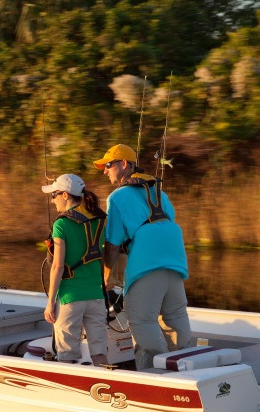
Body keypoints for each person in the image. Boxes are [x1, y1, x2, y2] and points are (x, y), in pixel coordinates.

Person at [93, 144, 193, 370]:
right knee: (176, 317)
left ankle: (156, 371)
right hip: (175, 262)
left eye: (108, 165)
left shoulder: (116, 197)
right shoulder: (161, 193)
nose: (105, 170)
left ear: (124, 165)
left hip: (146, 264)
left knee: (140, 321)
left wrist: (108, 277)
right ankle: (188, 363)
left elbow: (112, 245)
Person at [42, 173, 109, 366]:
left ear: (65, 195)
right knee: (99, 352)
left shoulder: (61, 224)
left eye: (54, 195)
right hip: (96, 295)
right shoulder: (99, 220)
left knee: (67, 354)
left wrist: (50, 302)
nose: (52, 200)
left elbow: (57, 266)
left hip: (69, 297)